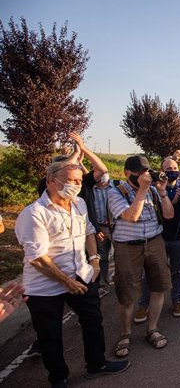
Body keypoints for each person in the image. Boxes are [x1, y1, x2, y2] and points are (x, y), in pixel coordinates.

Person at [15, 160, 129, 387]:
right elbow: (37, 258)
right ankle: (58, 377)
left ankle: (96, 364)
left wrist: (94, 259)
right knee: (50, 333)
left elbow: (88, 231)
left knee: (93, 319)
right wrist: (67, 282)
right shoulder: (34, 213)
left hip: (81, 274)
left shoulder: (79, 203)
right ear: (51, 181)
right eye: (71, 181)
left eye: (79, 180)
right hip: (45, 285)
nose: (77, 185)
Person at [108, 155, 174, 357]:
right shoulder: (115, 192)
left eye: (147, 171)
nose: (144, 176)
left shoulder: (154, 190)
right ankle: (125, 334)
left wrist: (162, 192)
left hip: (154, 242)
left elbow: (169, 215)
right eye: (139, 173)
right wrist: (143, 189)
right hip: (128, 246)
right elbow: (131, 217)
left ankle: (152, 328)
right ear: (127, 173)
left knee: (159, 287)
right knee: (127, 293)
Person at [136, 157, 180, 320]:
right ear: (162, 171)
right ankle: (143, 304)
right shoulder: (154, 189)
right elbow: (163, 212)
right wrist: (172, 199)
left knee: (178, 270)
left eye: (174, 168)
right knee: (152, 272)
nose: (172, 171)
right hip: (158, 236)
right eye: (168, 169)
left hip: (179, 236)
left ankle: (177, 300)